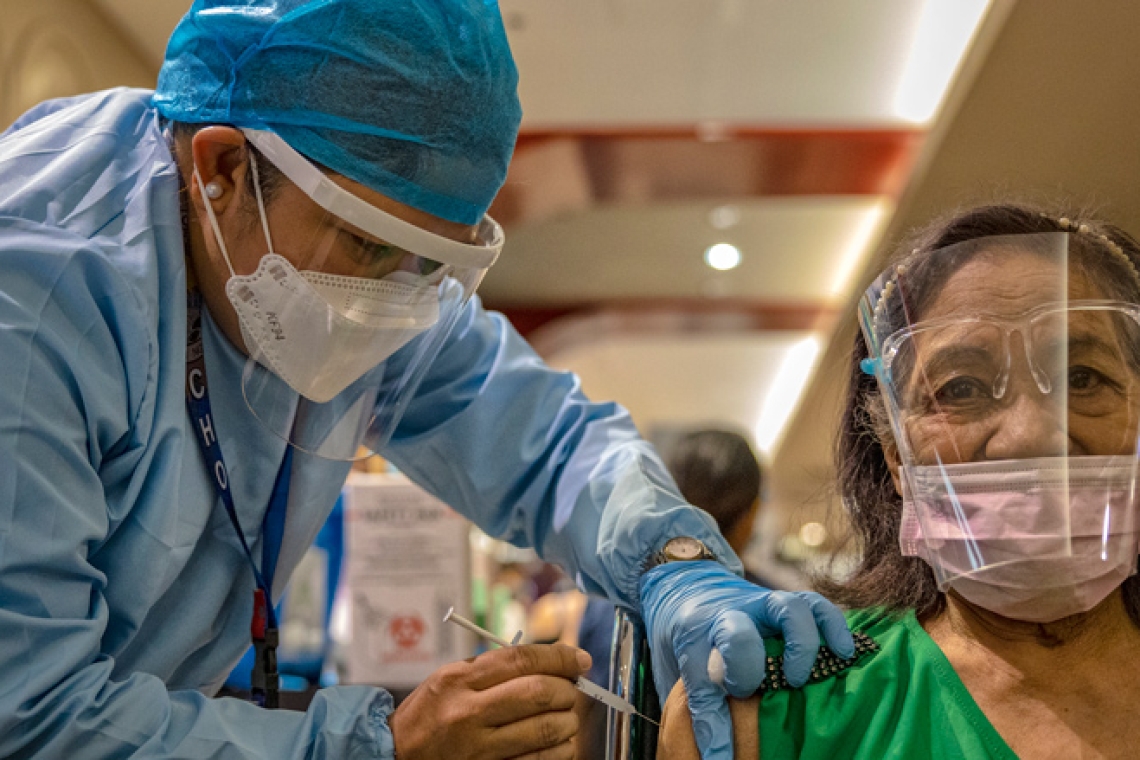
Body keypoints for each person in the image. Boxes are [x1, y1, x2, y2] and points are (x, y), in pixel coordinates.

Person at [0, 2, 853, 758]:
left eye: (431, 264)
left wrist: (675, 566)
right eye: (371, 248)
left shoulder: (337, 271)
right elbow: (27, 715)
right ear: (220, 168)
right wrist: (381, 744)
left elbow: (549, 443)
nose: (393, 302)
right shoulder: (35, 303)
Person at [657, 203, 1140, 759]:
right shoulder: (774, 714)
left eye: (1082, 377)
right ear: (896, 457)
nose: (1029, 436)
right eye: (961, 389)